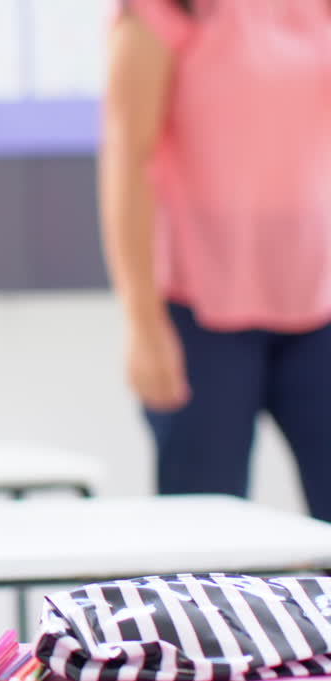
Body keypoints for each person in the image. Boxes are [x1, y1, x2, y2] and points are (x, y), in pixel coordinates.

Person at [99, 0, 331, 520]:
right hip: (200, 312)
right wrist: (142, 322)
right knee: (206, 546)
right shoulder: (162, 10)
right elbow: (127, 159)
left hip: (317, 301)